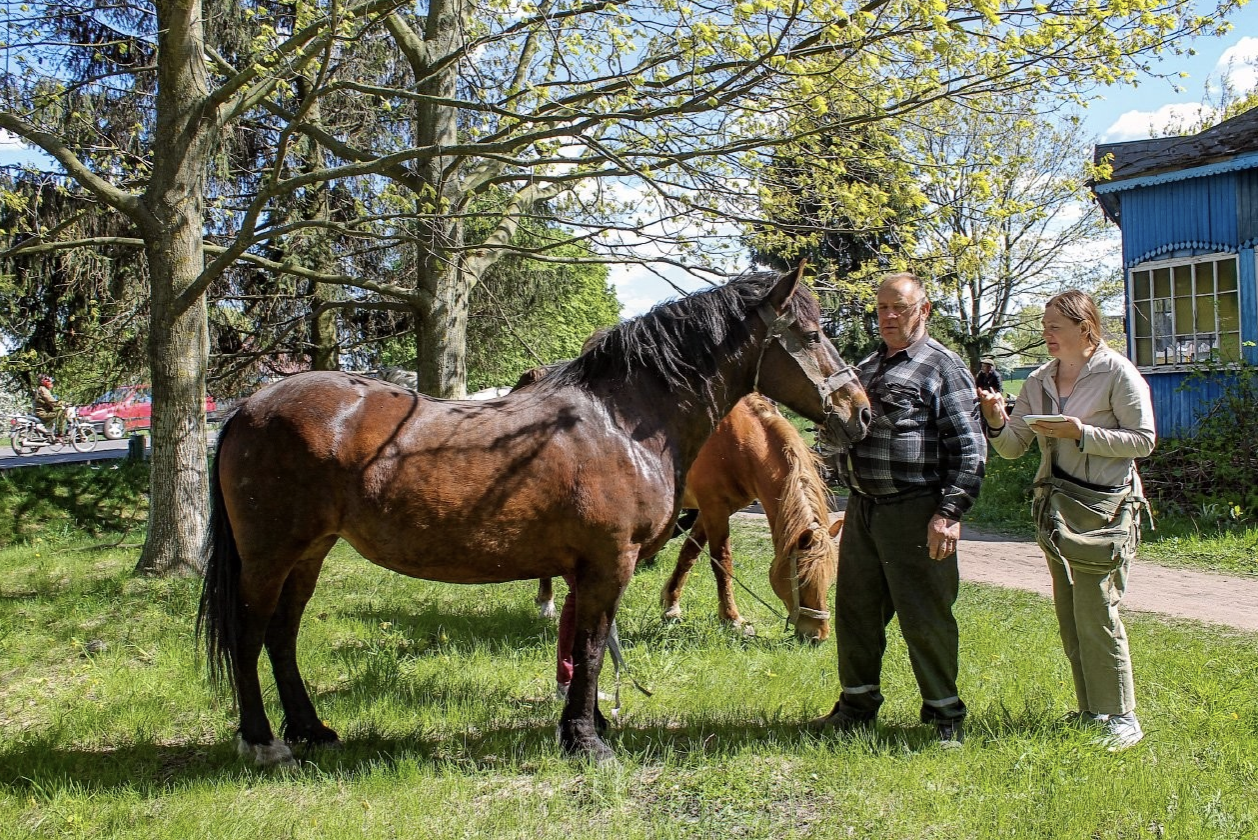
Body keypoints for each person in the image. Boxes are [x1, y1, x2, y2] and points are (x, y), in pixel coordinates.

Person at [812, 272, 986, 745]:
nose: (888, 316)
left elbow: (970, 448)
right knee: (855, 612)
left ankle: (944, 714)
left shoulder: (943, 367)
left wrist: (949, 513)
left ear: (923, 311)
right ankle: (856, 707)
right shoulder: (865, 367)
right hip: (864, 510)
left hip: (917, 509)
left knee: (925, 616)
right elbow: (839, 436)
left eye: (900, 308)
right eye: (882, 308)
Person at [978, 290, 1155, 751]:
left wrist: (1083, 433)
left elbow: (1143, 440)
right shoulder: (1038, 380)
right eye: (1045, 324)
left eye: (1055, 325)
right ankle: (1091, 710)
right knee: (1070, 614)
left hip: (1107, 508)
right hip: (1056, 509)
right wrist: (996, 420)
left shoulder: (1117, 372)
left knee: (1097, 610)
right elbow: (1014, 447)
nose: (1046, 333)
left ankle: (1122, 716)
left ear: (1085, 327)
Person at [33, 375, 68, 439]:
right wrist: (64, 403)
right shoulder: (43, 389)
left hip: (41, 411)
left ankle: (50, 431)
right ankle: (60, 434)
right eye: (48, 381)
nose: (50, 383)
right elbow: (51, 401)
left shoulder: (40, 389)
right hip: (43, 413)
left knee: (58, 409)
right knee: (62, 411)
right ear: (44, 381)